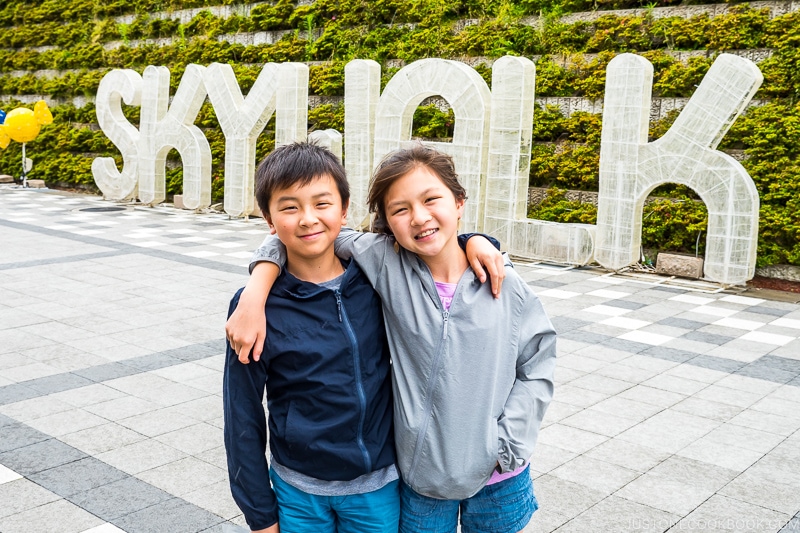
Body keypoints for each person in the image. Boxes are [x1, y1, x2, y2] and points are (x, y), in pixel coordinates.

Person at [228, 145, 557, 533]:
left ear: (459, 202)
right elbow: (310, 231)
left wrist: (478, 241)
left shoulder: (503, 283)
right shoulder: (384, 265)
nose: (419, 217)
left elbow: (538, 364)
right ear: (385, 222)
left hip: (497, 477)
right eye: (400, 209)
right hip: (420, 479)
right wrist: (257, 285)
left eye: (432, 199)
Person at [223, 142, 399, 533]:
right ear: (269, 220)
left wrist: (477, 242)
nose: (307, 219)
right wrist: (259, 514)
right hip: (298, 491)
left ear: (344, 208)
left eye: (322, 203)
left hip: (378, 486)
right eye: (289, 207)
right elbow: (241, 415)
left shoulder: (377, 281)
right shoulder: (254, 307)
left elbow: (434, 243)